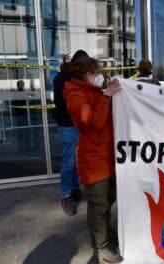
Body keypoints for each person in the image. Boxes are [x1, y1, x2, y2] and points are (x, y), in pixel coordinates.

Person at [62, 55, 122, 263]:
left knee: (109, 198)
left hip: (108, 156)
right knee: (98, 204)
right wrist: (106, 95)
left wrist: (110, 88)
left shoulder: (92, 88)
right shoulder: (75, 96)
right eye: (96, 72)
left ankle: (105, 232)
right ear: (87, 75)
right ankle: (102, 247)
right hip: (94, 160)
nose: (99, 76)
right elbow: (95, 121)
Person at [53, 50, 88, 216]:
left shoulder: (78, 77)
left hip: (78, 124)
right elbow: (62, 103)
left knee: (75, 159)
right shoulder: (62, 79)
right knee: (69, 161)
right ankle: (66, 195)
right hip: (68, 125)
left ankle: (74, 188)